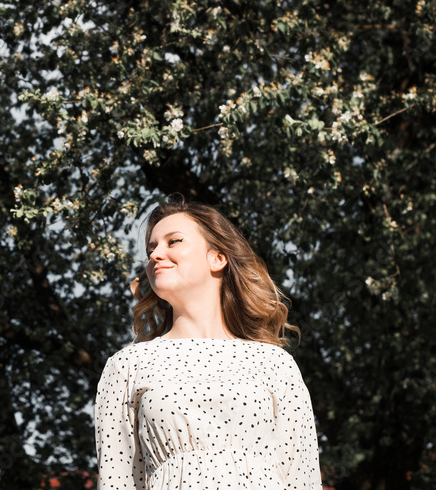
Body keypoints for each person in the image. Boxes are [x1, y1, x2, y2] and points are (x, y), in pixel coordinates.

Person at [95, 199, 321, 489]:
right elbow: (117, 481)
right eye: (151, 249)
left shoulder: (274, 362)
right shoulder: (128, 365)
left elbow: (302, 477)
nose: (155, 255)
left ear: (218, 258)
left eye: (173, 241)